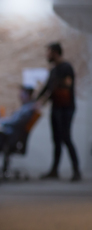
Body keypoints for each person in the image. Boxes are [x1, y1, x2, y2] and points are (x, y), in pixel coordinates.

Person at [37, 42, 81, 182]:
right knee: (56, 139)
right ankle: (54, 170)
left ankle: (76, 171)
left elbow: (67, 84)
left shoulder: (66, 67)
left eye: (48, 52)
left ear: (55, 52)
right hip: (56, 107)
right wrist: (35, 100)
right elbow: (46, 87)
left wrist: (52, 88)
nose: (47, 55)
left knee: (66, 137)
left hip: (66, 107)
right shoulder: (53, 69)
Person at [0, 86, 37, 174]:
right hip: (12, 136)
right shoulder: (25, 107)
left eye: (22, 93)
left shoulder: (28, 109)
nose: (19, 96)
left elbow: (14, 122)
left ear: (28, 95)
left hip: (11, 138)